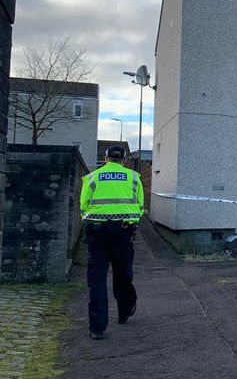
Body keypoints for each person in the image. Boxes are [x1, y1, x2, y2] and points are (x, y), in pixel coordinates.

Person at [80, 145, 144, 340]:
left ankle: (97, 328)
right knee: (123, 273)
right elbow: (140, 207)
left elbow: (83, 206)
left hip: (97, 233)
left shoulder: (92, 177)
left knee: (97, 279)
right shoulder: (133, 177)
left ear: (106, 159)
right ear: (124, 160)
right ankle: (125, 310)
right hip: (123, 232)